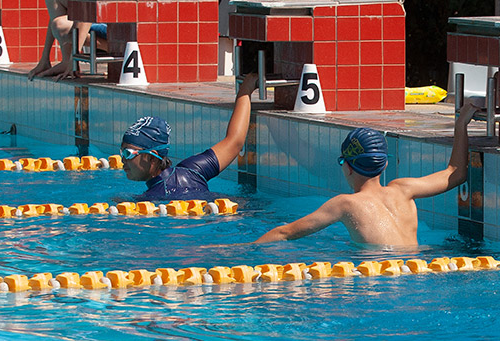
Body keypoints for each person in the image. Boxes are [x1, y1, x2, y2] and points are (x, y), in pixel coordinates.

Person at [254, 102, 479, 246]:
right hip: (417, 270)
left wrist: (240, 250)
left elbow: (286, 233)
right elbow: (455, 173)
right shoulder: (404, 190)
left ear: (348, 167)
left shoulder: (345, 204)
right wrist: (461, 125)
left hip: (381, 281)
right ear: (383, 166)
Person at [120, 74, 256, 200]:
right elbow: (235, 142)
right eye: (122, 153)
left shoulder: (148, 201)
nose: (123, 160)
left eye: (128, 153)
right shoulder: (192, 170)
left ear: (152, 157)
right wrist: (246, 88)